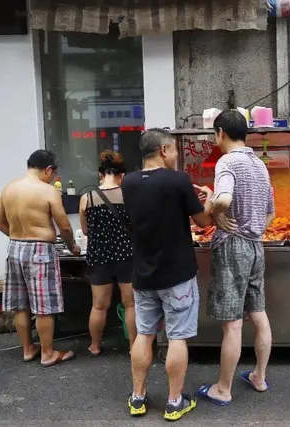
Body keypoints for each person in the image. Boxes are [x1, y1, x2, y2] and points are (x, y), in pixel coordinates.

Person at [121, 128, 227, 421]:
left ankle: (138, 397)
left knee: (145, 335)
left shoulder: (128, 182)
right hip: (177, 273)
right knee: (177, 337)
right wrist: (209, 199)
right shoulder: (178, 180)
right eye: (175, 150)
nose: (177, 154)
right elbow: (203, 220)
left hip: (143, 274)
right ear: (164, 150)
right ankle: (174, 401)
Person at [196, 110, 275, 406]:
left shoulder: (227, 161)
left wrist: (217, 213)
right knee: (259, 314)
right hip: (256, 247)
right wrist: (251, 230)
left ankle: (223, 389)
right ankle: (259, 376)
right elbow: (271, 212)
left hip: (233, 248)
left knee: (232, 324)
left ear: (220, 133)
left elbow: (226, 199)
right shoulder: (259, 165)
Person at [0, 149, 80, 367]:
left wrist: (17, 237)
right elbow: (65, 227)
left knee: (21, 306)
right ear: (48, 170)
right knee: (44, 307)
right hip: (40, 250)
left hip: (15, 248)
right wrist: (72, 247)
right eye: (53, 173)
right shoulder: (48, 192)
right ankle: (48, 353)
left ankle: (28, 349)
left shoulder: (9, 188)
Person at [79, 150, 136, 356]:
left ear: (100, 174)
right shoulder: (129, 195)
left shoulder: (88, 198)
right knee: (130, 304)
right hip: (127, 256)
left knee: (99, 305)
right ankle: (133, 347)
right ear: (122, 175)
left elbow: (85, 231)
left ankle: (94, 345)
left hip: (99, 256)